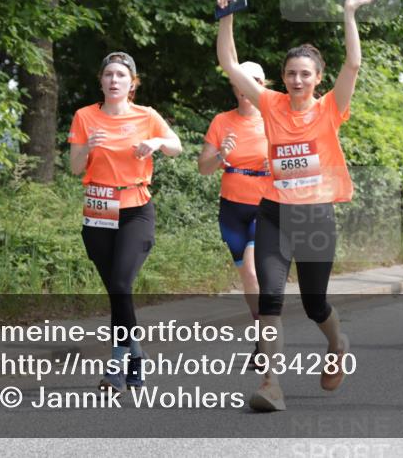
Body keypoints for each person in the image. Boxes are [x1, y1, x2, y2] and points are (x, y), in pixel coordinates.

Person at [216, 0, 381, 412]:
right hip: (273, 213)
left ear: (317, 78)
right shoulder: (269, 103)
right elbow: (229, 63)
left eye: (305, 73)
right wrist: (226, 16)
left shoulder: (330, 108)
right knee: (270, 297)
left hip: (315, 218)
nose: (297, 79)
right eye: (291, 73)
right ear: (283, 76)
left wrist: (349, 12)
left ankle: (337, 343)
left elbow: (353, 62)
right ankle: (271, 384)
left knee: (314, 303)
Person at [68, 51, 182, 392]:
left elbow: (176, 147)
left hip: (136, 208)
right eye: (108, 75)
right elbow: (75, 168)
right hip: (99, 210)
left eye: (121, 75)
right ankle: (136, 355)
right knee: (118, 292)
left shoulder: (146, 116)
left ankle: (116, 364)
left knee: (120, 285)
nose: (114, 80)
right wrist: (87, 145)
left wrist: (158, 141)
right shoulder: (84, 116)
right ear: (101, 81)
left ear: (132, 83)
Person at [198, 61, 271, 322]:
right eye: (241, 80)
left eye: (255, 81)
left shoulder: (275, 120)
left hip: (266, 207)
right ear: (235, 85)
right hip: (231, 209)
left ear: (262, 85)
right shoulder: (222, 121)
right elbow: (204, 168)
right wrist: (221, 154)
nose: (247, 86)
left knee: (253, 272)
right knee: (247, 279)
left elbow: (300, 161)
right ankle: (262, 332)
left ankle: (266, 338)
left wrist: (277, 163)